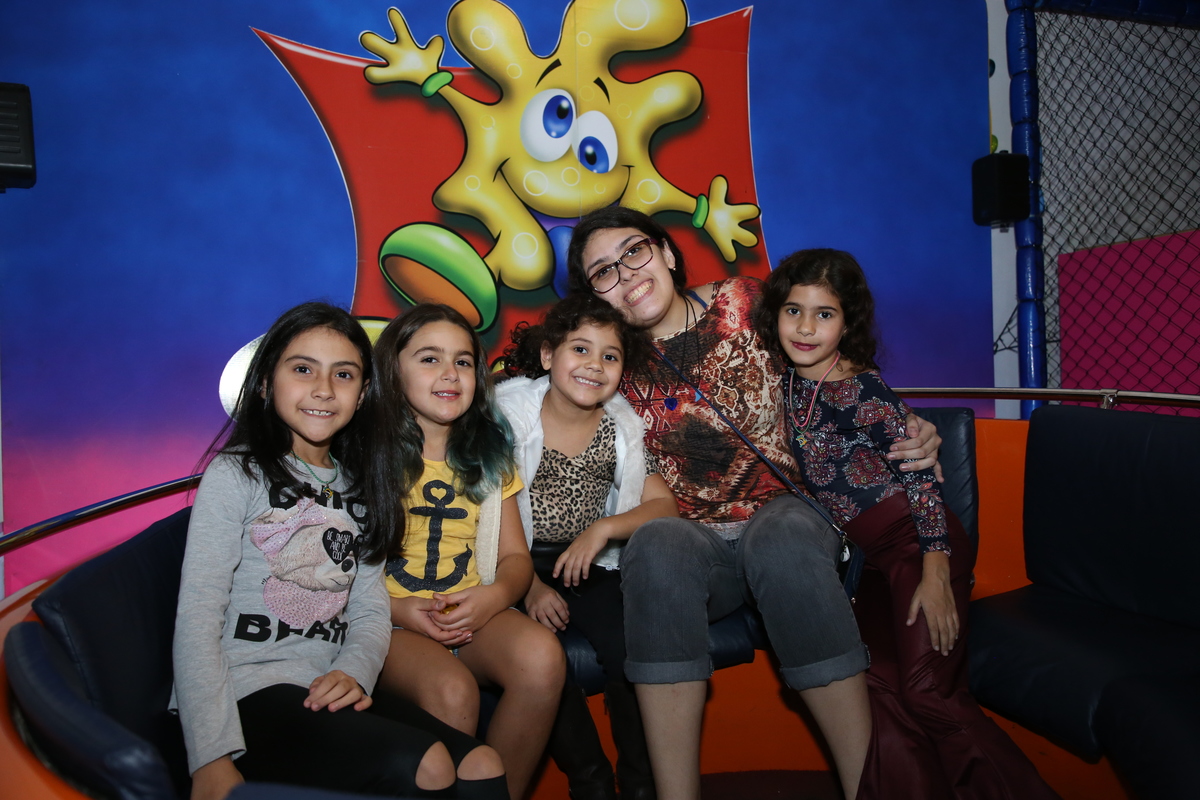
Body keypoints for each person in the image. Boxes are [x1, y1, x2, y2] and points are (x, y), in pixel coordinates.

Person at [565, 207, 943, 800]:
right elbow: (534, 403)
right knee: (657, 544)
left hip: (790, 515)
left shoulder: (743, 302)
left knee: (779, 538)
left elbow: (835, 366)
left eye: (634, 251)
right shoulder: (607, 364)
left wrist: (906, 426)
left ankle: (867, 788)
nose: (626, 273)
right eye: (603, 271)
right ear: (595, 296)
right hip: (698, 543)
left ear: (666, 252)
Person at [754, 249, 1060, 799]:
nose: (805, 328)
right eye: (794, 310)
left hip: (919, 544)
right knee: (873, 684)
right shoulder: (789, 382)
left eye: (824, 314)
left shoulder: (861, 391)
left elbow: (922, 483)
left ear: (847, 323)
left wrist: (936, 573)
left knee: (929, 694)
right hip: (871, 561)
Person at [173, 301, 507, 800]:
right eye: (303, 369)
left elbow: (370, 610)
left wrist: (353, 673)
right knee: (429, 765)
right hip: (245, 691)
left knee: (481, 762)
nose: (324, 389)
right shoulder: (236, 475)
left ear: (364, 392)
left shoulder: (363, 483)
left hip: (330, 683)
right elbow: (198, 618)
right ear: (265, 382)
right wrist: (211, 757)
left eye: (344, 374)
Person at [373, 303, 566, 800]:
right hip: (391, 621)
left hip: (471, 611)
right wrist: (400, 609)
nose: (449, 373)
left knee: (541, 657)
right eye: (429, 358)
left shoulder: (490, 457)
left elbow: (515, 560)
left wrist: (493, 597)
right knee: (451, 689)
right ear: (392, 370)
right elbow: (340, 575)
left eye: (462, 361)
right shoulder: (365, 457)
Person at [498, 294, 677, 800]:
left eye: (609, 355)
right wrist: (528, 587)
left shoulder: (621, 427)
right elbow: (486, 519)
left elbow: (664, 505)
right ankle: (590, 781)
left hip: (588, 562)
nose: (594, 365)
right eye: (580, 349)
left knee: (632, 645)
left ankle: (641, 784)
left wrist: (602, 531)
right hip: (512, 562)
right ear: (548, 355)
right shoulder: (507, 419)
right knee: (543, 660)